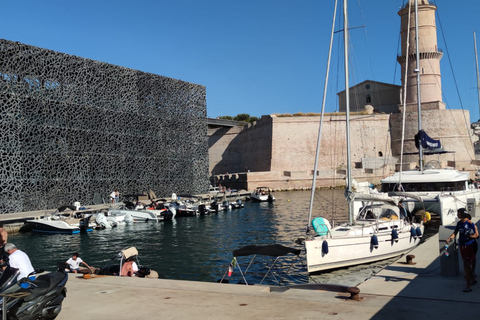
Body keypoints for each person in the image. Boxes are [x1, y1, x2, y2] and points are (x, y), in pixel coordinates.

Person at [446, 208, 479, 292]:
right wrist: (450, 238)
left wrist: (469, 236)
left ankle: (468, 286)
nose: (457, 215)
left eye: (458, 213)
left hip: (469, 246)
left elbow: (476, 235)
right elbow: (455, 232)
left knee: (466, 264)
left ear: (463, 214)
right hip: (462, 246)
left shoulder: (470, 223)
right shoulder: (459, 223)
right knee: (466, 263)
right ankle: (472, 278)